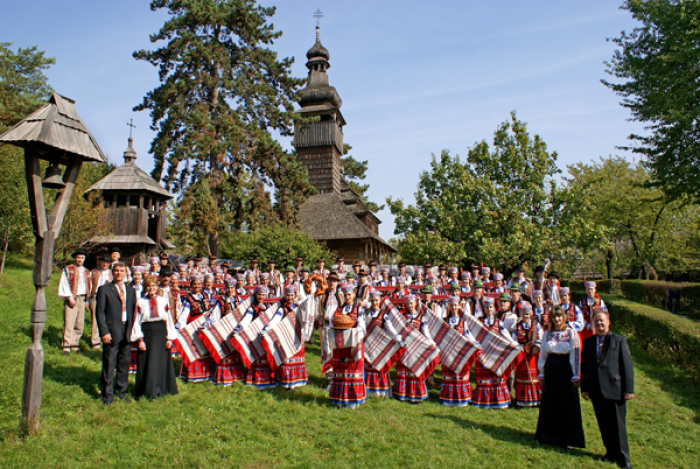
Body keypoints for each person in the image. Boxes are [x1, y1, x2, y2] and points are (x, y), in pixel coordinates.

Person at [581, 309, 635, 469]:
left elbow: (627, 366)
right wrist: (585, 388)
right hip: (596, 390)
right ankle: (610, 453)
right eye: (596, 321)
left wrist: (628, 389)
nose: (599, 323)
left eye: (602, 321)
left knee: (618, 425)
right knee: (603, 424)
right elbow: (585, 367)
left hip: (615, 389)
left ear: (608, 322)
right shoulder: (589, 342)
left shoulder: (619, 340)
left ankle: (624, 458)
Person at [535, 306, 585, 449]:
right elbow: (543, 354)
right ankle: (547, 436)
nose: (557, 319)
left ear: (564, 317)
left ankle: (569, 439)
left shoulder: (571, 333)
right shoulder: (547, 334)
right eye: (554, 317)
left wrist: (576, 374)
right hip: (551, 370)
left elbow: (575, 354)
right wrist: (541, 372)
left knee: (567, 403)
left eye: (559, 316)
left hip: (565, 370)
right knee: (550, 402)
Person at [130, 275, 178, 400]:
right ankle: (148, 391)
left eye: (153, 286)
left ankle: (163, 389)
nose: (151, 288)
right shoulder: (141, 302)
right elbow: (136, 322)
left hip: (161, 333)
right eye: (148, 286)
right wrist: (140, 340)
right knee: (149, 362)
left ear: (157, 287)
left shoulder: (163, 300)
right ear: (145, 288)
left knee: (161, 362)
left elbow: (168, 320)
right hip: (147, 334)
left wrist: (169, 338)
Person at [95, 262, 136, 405]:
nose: (119, 273)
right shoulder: (104, 289)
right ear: (112, 273)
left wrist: (133, 330)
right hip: (111, 331)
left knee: (124, 364)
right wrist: (104, 332)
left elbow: (133, 311)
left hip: (126, 331)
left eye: (122, 271)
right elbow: (99, 313)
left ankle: (121, 391)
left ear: (126, 273)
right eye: (116, 271)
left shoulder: (130, 290)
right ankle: (107, 395)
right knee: (109, 364)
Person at [472, 297, 516, 409]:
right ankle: (483, 401)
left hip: (495, 354)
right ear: (484, 308)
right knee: (484, 377)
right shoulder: (479, 321)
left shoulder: (498, 322)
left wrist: (513, 344)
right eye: (486, 307)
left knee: (496, 377)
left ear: (493, 308)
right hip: (482, 354)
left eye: (490, 307)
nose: (488, 309)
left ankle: (499, 401)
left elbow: (505, 335)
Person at [328, 286, 367, 408]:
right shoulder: (339, 309)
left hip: (353, 344)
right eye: (346, 295)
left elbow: (361, 326)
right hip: (340, 345)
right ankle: (339, 398)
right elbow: (331, 323)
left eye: (350, 295)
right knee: (340, 371)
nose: (348, 297)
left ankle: (353, 400)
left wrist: (352, 331)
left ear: (354, 296)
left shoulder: (358, 309)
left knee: (352, 370)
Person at [439, 296, 479, 407]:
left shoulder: (463, 321)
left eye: (455, 305)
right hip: (449, 351)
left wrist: (474, 342)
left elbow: (467, 333)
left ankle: (463, 398)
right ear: (449, 307)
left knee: (461, 373)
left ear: (459, 306)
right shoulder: (445, 320)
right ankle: (448, 398)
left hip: (461, 350)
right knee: (449, 374)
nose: (454, 307)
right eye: (451, 305)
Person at [58, 248, 92, 355]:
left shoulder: (86, 271)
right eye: (78, 257)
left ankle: (74, 343)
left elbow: (89, 286)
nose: (80, 260)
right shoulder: (68, 269)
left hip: (82, 298)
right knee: (69, 321)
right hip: (73, 298)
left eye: (82, 258)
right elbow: (65, 284)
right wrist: (70, 298)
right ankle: (66, 345)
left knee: (79, 322)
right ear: (75, 258)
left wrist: (86, 300)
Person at [511, 302, 542, 407]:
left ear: (531, 314)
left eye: (527, 314)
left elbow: (541, 337)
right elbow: (513, 340)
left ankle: (536, 398)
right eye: (523, 314)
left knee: (534, 376)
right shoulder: (517, 326)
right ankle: (523, 400)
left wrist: (537, 346)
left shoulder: (536, 325)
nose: (526, 316)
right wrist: (521, 347)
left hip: (533, 355)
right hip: (523, 354)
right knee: (523, 376)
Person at [89, 256, 112, 349]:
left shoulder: (112, 273)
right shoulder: (94, 272)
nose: (105, 264)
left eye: (107, 262)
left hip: (108, 297)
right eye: (103, 262)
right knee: (95, 318)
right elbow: (89, 285)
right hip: (96, 296)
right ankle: (95, 340)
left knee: (108, 318)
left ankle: (106, 337)